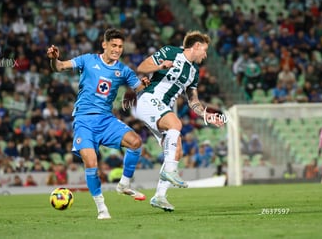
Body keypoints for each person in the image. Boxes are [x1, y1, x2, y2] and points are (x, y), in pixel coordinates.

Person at [47, 28, 150, 220]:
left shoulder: (123, 70)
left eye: (120, 46)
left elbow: (139, 88)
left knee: (135, 142)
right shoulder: (88, 60)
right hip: (84, 121)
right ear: (104, 44)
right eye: (114, 45)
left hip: (106, 119)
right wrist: (54, 58)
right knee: (91, 162)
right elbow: (59, 67)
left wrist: (145, 84)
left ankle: (124, 184)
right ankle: (102, 208)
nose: (117, 49)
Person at [134, 30, 224, 211]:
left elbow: (193, 101)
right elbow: (142, 67)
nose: (205, 55)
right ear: (196, 46)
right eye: (204, 50)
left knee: (176, 153)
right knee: (176, 124)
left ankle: (159, 196)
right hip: (148, 99)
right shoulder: (170, 52)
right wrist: (160, 66)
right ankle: (169, 172)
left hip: (161, 109)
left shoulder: (194, 73)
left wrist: (207, 115)